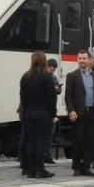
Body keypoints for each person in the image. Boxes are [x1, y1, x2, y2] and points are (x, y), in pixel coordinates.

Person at [65, 50, 94, 176]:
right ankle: (76, 167)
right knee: (78, 140)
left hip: (93, 113)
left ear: (89, 60)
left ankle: (86, 167)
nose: (81, 60)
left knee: (91, 141)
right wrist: (71, 110)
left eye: (84, 58)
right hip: (79, 113)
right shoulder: (72, 75)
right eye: (79, 58)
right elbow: (68, 95)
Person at [20, 51, 58, 179]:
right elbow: (51, 98)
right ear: (44, 61)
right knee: (41, 140)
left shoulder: (25, 76)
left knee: (31, 140)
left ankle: (30, 170)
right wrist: (54, 113)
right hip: (43, 113)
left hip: (29, 112)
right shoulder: (47, 76)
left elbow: (22, 97)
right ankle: (39, 169)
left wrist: (24, 112)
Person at [45, 58, 62, 162]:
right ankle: (43, 155)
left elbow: (58, 90)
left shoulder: (54, 77)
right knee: (44, 134)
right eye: (50, 67)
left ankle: (47, 156)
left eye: (54, 68)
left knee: (50, 135)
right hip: (45, 110)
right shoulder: (42, 76)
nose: (52, 70)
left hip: (52, 109)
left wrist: (59, 89)